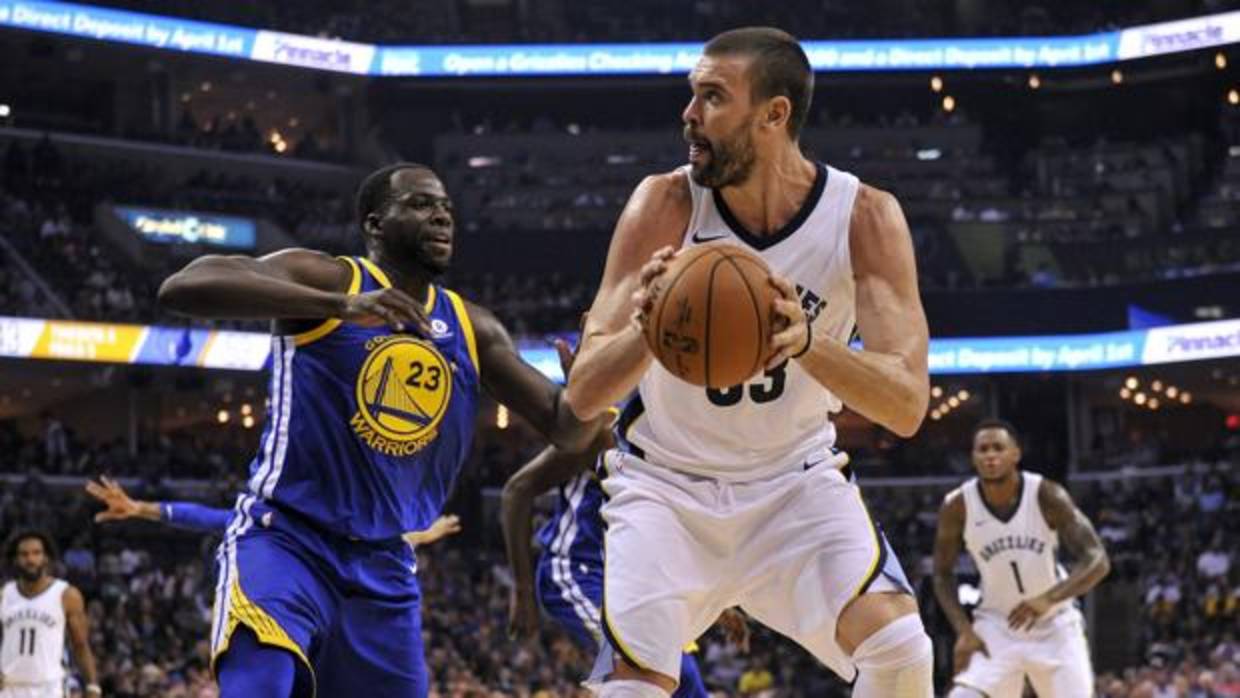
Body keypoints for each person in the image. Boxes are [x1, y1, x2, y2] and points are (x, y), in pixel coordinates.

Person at [562, 27, 933, 698]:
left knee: (900, 649)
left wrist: (805, 342)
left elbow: (906, 406)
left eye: (711, 97)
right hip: (664, 490)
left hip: (795, 485)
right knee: (631, 690)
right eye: (692, 96)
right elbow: (583, 395)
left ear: (774, 114)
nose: (689, 115)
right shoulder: (665, 204)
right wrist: (647, 330)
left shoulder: (865, 217)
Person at [157, 162, 601, 697]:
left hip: (384, 563)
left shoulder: (472, 326)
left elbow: (569, 431)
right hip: (287, 538)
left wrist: (591, 390)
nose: (440, 216)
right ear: (374, 223)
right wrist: (338, 307)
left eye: (446, 208)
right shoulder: (330, 278)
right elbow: (184, 286)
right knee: (263, 684)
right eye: (420, 204)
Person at [502, 339, 746, 696]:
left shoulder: (671, 447)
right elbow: (515, 493)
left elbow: (667, 532)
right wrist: (521, 591)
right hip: (575, 571)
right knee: (635, 667)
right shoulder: (600, 432)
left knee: (685, 681)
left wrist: (719, 603)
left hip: (627, 579)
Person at [932, 418, 1111, 697]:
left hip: (1055, 624)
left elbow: (1097, 559)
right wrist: (963, 629)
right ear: (973, 456)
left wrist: (1047, 599)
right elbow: (942, 574)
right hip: (996, 625)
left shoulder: (1046, 495)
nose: (991, 455)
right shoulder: (957, 506)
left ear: (1015, 453)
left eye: (998, 448)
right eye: (983, 449)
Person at [84, 476, 463, 550]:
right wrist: (138, 508)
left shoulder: (342, 526)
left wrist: (423, 536)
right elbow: (204, 518)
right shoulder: (270, 523)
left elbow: (382, 542)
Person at [0, 531, 100, 698]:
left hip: (50, 688)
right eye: (24, 554)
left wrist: (93, 686)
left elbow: (81, 645)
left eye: (36, 553)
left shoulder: (66, 595)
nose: (30, 560)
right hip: (8, 687)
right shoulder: (4, 595)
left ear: (46, 558)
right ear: (15, 559)